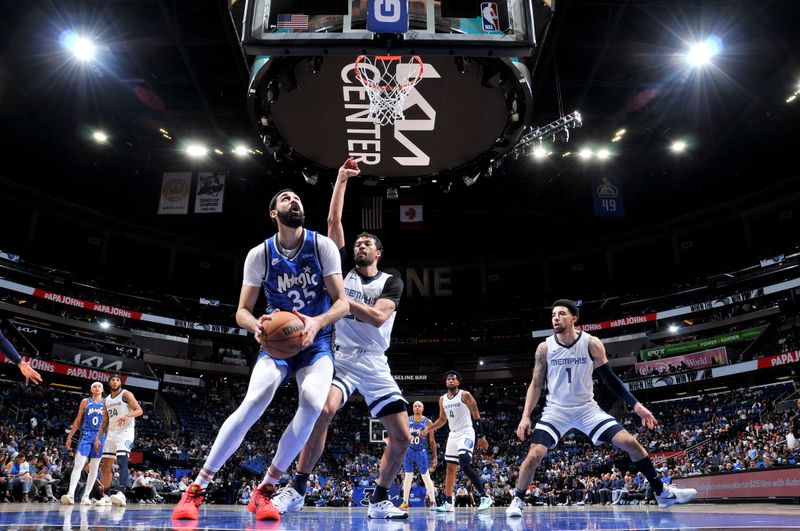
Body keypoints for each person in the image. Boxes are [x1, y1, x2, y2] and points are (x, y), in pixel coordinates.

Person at [173, 188, 349, 522]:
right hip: (278, 345)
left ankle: (265, 489)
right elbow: (242, 311)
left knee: (313, 405)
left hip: (318, 342)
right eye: (284, 198)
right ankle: (196, 489)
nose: (293, 200)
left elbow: (340, 302)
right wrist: (256, 326)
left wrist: (317, 322)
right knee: (254, 401)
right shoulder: (260, 255)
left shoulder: (322, 246)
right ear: (274, 213)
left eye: (297, 198)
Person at [277, 158, 410, 520]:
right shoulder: (341, 273)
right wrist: (341, 179)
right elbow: (334, 222)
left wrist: (341, 302)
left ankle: (380, 499)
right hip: (343, 357)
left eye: (367, 243)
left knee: (402, 438)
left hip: (376, 363)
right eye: (359, 243)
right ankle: (298, 487)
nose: (361, 246)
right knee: (322, 410)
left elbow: (379, 316)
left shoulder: (390, 282)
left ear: (378, 253)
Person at [506, 299, 697, 518]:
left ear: (574, 318)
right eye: (553, 315)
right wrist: (525, 416)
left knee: (631, 443)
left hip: (587, 409)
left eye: (561, 314)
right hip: (556, 410)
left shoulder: (591, 343)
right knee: (534, 455)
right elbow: (536, 384)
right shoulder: (545, 347)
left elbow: (611, 379)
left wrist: (637, 406)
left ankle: (661, 492)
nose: (555, 318)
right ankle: (518, 499)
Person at [423, 370, 493, 512]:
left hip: (466, 432)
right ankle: (449, 503)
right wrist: (429, 428)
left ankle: (485, 497)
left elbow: (476, 416)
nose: (451, 380)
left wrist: (481, 436)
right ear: (445, 382)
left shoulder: (465, 395)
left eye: (453, 379)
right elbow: (442, 420)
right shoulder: (442, 399)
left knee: (464, 464)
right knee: (450, 469)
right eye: (448, 379)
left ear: (458, 382)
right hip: (453, 435)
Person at [93, 374, 143, 507]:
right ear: (109, 383)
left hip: (126, 432)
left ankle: (121, 493)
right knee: (106, 465)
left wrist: (127, 415)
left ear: (120, 383)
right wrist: (98, 437)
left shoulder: (126, 394)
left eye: (117, 380)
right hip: (111, 433)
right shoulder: (106, 400)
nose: (115, 382)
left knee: (122, 460)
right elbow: (105, 421)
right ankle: (107, 496)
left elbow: (139, 410)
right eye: (112, 380)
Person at [62, 382, 106, 505]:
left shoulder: (106, 403)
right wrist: (70, 437)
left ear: (102, 389)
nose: (97, 388)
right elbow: (78, 420)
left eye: (99, 386)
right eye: (94, 386)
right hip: (86, 435)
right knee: (79, 464)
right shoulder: (85, 401)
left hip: (100, 436)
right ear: (91, 389)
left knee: (94, 467)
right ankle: (70, 494)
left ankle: (86, 496)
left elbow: (108, 422)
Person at [399, 401, 437, 509]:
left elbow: (432, 441)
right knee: (408, 476)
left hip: (421, 451)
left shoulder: (428, 422)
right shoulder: (407, 420)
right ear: (413, 408)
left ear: (422, 408)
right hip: (409, 451)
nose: (417, 407)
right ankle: (405, 502)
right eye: (415, 406)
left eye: (419, 406)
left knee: (426, 476)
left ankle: (433, 501)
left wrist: (435, 457)